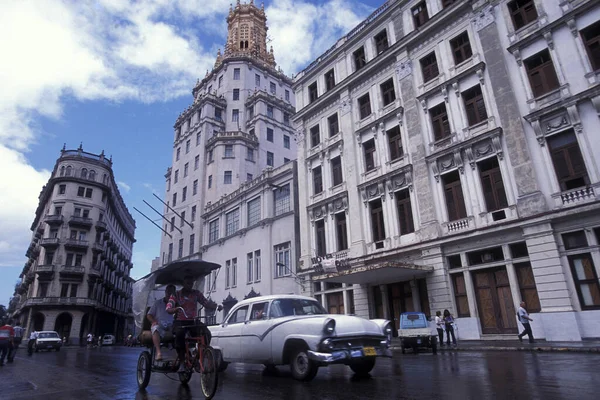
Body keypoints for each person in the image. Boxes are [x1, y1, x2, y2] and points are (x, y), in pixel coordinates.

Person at [166, 274, 222, 372]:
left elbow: (206, 303)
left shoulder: (196, 293)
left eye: (191, 283)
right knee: (179, 336)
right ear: (183, 283)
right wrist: (174, 309)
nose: (190, 285)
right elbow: (168, 307)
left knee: (206, 333)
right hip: (180, 321)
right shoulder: (176, 294)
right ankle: (182, 363)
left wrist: (216, 306)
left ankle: (199, 355)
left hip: (192, 321)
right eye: (188, 283)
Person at [147, 284, 176, 361]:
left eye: (171, 292)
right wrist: (153, 321)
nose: (169, 294)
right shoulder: (158, 303)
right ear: (165, 292)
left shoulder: (175, 304)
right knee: (155, 328)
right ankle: (158, 352)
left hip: (171, 325)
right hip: (159, 324)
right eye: (168, 292)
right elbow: (149, 315)